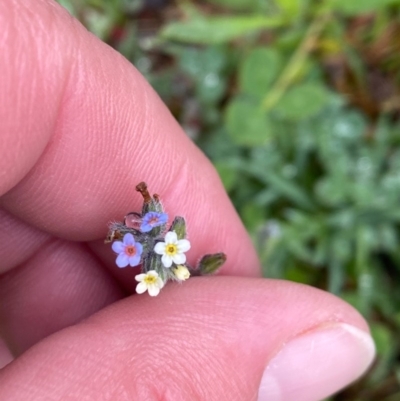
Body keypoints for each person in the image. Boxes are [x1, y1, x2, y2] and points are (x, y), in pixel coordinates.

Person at [0, 1, 375, 400]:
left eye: (158, 253)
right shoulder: (156, 251)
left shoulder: (160, 251)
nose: (147, 253)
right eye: (145, 256)